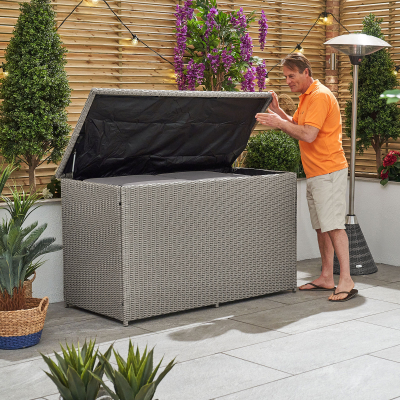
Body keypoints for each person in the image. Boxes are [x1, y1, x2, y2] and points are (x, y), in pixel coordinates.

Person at [255, 53, 358, 302]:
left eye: (291, 76)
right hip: (316, 171)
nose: (288, 81)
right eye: (285, 77)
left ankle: (346, 279)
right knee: (322, 226)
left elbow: (308, 135)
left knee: (333, 225)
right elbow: (298, 126)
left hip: (329, 170)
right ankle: (326, 276)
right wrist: (280, 113)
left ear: (306, 73)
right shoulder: (307, 97)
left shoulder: (320, 96)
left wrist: (278, 123)